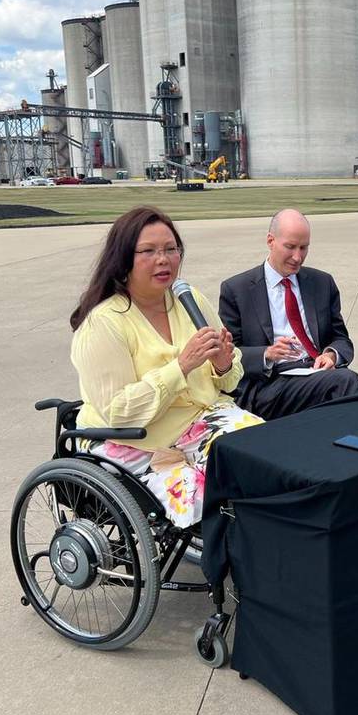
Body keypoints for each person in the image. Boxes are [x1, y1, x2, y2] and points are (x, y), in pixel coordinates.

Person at [70, 206, 262, 528]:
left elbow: (230, 382)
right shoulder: (103, 324)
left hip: (201, 420)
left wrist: (222, 363)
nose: (164, 259)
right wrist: (181, 366)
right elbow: (118, 412)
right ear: (124, 261)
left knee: (264, 457)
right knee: (211, 497)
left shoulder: (190, 300)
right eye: (148, 251)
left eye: (171, 249)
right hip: (137, 439)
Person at [219, 208, 358, 418]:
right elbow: (229, 354)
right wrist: (267, 354)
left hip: (316, 372)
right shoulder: (237, 290)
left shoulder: (322, 283)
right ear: (270, 241)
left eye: (304, 248)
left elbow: (341, 338)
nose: (298, 257)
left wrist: (331, 355)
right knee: (346, 382)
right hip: (270, 383)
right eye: (290, 247)